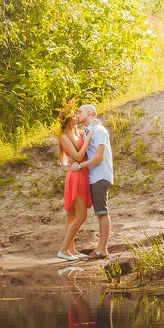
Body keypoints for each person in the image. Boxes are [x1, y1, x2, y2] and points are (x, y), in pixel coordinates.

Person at [71, 103, 113, 259]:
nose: (77, 113)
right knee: (100, 212)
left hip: (100, 176)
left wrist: (80, 165)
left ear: (89, 112)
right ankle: (100, 248)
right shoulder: (90, 130)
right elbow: (74, 132)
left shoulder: (99, 131)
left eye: (80, 111)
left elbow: (99, 156)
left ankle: (103, 249)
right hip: (94, 177)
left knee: (102, 212)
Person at [57, 101, 92, 261]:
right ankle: (63, 249)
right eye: (74, 115)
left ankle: (71, 249)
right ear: (68, 120)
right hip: (76, 176)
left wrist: (87, 135)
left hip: (82, 173)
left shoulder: (78, 133)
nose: (77, 116)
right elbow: (77, 157)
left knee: (71, 215)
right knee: (81, 215)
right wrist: (89, 138)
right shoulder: (64, 137)